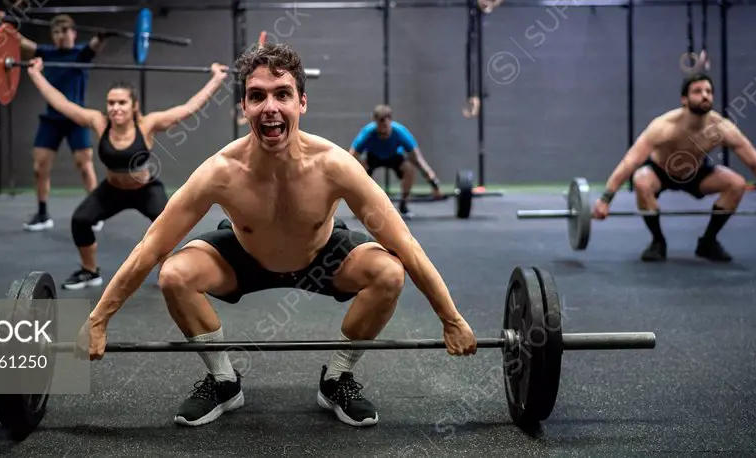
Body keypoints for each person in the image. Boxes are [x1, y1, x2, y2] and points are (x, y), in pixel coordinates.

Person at [79, 43, 477, 428]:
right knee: (173, 274)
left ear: (301, 103)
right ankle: (224, 381)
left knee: (389, 272)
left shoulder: (335, 165)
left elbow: (404, 243)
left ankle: (337, 379)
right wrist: (98, 320)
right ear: (244, 108)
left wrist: (451, 318)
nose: (270, 107)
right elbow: (152, 246)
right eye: (257, 96)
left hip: (322, 258)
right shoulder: (221, 171)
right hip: (244, 258)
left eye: (282, 94)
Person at [25, 57, 230, 289]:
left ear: (134, 105)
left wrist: (216, 79)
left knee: (168, 224)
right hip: (111, 191)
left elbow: (189, 108)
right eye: (111, 103)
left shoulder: (147, 124)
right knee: (81, 220)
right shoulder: (99, 122)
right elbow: (62, 104)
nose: (115, 108)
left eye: (122, 102)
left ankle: (169, 272)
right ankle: (90, 271)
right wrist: (36, 75)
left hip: (144, 190)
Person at [593, 72, 756, 262]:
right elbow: (630, 161)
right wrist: (605, 200)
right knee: (641, 180)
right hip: (660, 172)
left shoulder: (722, 127)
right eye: (698, 91)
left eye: (709, 91)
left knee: (736, 184)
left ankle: (708, 242)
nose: (705, 96)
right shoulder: (663, 126)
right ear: (684, 99)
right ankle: (658, 242)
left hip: (696, 173)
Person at [0, 13, 108, 233]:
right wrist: (5, 25)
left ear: (73, 32)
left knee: (84, 166)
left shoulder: (81, 53)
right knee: (39, 168)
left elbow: (96, 45)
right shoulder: (48, 52)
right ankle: (43, 214)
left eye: (64, 31)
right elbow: (21, 42)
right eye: (56, 32)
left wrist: (102, 36)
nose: (60, 35)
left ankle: (95, 212)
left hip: (76, 118)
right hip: (51, 120)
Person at [348, 105, 443, 218]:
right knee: (359, 167)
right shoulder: (367, 133)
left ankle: (403, 205)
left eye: (386, 128)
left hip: (394, 157)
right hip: (373, 157)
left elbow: (418, 160)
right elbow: (350, 158)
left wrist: (434, 184)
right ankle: (363, 204)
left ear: (390, 122)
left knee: (409, 168)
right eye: (380, 128)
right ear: (375, 122)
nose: (383, 131)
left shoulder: (400, 133)